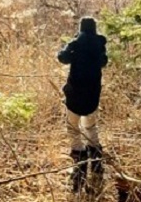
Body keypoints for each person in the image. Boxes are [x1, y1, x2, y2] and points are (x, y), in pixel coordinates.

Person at [57, 16, 108, 193]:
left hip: (75, 96)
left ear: (81, 28)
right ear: (95, 29)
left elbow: (61, 58)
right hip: (93, 96)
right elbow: (104, 62)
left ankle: (78, 172)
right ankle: (97, 170)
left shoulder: (76, 44)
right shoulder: (99, 45)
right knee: (91, 128)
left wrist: (68, 47)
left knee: (73, 129)